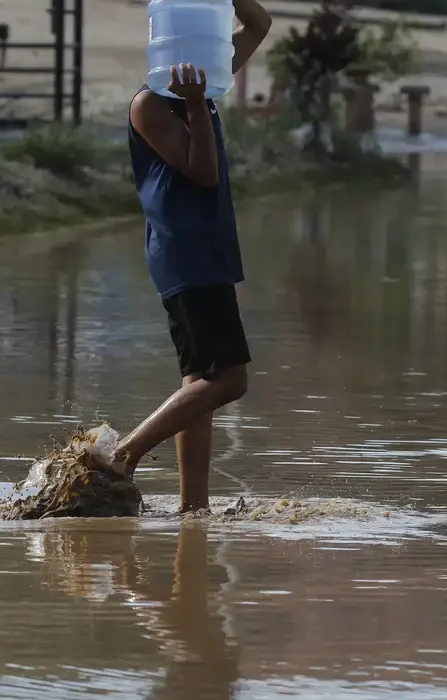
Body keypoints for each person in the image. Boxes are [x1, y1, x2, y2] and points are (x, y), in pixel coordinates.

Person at [105, 0, 272, 513]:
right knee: (229, 380)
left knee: (199, 384)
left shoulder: (210, 79)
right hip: (187, 253)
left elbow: (259, 24)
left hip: (207, 248)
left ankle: (193, 508)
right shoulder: (150, 105)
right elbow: (203, 173)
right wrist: (197, 103)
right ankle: (122, 456)